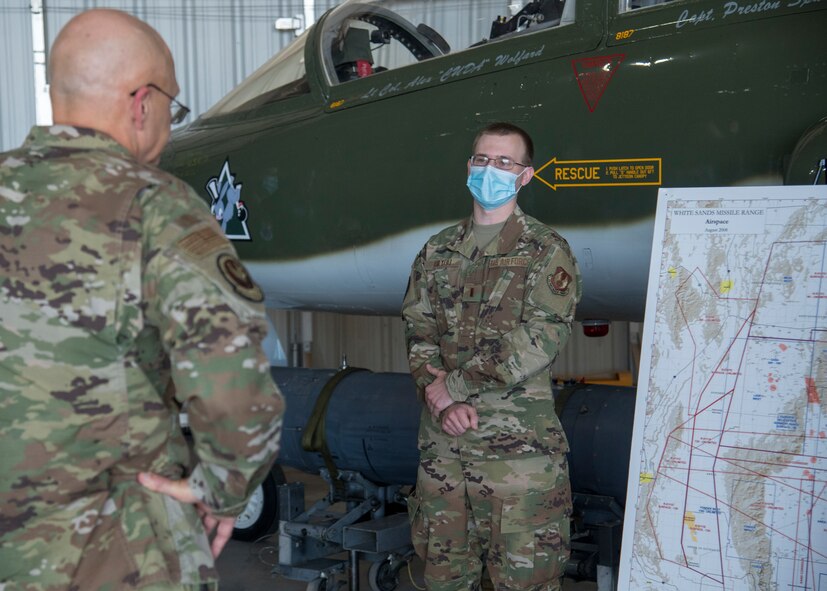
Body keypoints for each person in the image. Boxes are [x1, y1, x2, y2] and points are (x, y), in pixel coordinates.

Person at [0, 9, 284, 590]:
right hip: (113, 548)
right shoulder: (156, 207)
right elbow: (234, 390)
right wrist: (222, 490)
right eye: (172, 109)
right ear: (141, 103)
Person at [402, 122, 582, 591]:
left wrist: (456, 386)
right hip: (444, 454)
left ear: (525, 175)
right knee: (443, 580)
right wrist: (440, 399)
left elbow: (542, 337)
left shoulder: (545, 250)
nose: (490, 169)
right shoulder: (437, 250)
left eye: (504, 162)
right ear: (469, 167)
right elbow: (418, 330)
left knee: (525, 583)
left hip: (517, 460)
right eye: (482, 159)